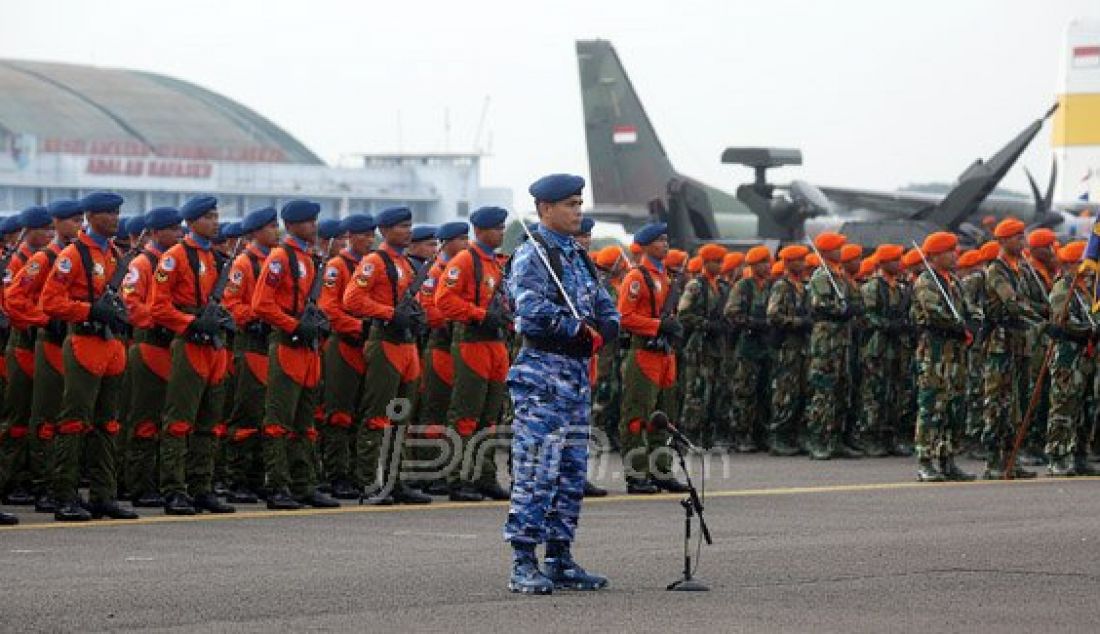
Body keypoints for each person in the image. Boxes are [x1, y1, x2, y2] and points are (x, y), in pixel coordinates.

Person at [503, 173, 618, 595]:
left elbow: (603, 303)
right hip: (543, 372)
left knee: (570, 471)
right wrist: (576, 329)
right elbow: (530, 310)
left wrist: (608, 324)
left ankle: (559, 556)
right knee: (537, 468)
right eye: (569, 204)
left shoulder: (576, 254)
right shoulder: (534, 255)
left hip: (574, 375)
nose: (577, 211)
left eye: (579, 203)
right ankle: (522, 562)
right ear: (544, 209)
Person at [40, 191, 138, 521]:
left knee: (107, 423)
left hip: (111, 345)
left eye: (117, 213)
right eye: (108, 213)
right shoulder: (74, 254)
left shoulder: (114, 253)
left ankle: (103, 494)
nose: (115, 218)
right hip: (84, 342)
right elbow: (50, 302)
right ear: (91, 216)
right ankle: (64, 495)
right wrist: (88, 310)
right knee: (73, 422)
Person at [251, 200, 340, 510]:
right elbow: (261, 304)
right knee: (278, 420)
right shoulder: (281, 257)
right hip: (288, 343)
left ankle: (304, 484)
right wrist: (294, 324)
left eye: (315, 220)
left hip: (307, 346)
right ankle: (277, 485)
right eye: (306, 222)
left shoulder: (310, 258)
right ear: (291, 226)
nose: (313, 226)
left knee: (305, 421)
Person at [150, 196, 236, 515]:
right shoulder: (175, 257)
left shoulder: (215, 258)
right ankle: (173, 489)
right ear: (193, 222)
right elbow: (159, 306)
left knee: (210, 420)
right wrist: (190, 322)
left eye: (216, 216)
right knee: (179, 420)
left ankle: (202, 486)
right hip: (189, 340)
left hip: (213, 342)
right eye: (209, 217)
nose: (216, 222)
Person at [344, 206, 433, 505]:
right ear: (385, 231)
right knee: (377, 415)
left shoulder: (405, 264)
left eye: (410, 225)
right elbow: (352, 299)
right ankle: (368, 482)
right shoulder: (375, 261)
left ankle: (396, 481)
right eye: (402, 226)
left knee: (402, 416)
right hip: (385, 341)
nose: (408, 231)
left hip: (407, 344)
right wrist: (390, 313)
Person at [436, 207, 512, 502]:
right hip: (472, 341)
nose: (501, 233)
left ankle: (485, 476)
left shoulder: (494, 262)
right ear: (479, 231)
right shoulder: (466, 260)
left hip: (495, 343)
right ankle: (458, 478)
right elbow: (444, 300)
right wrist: (479, 315)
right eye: (496, 228)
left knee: (490, 418)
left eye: (503, 228)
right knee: (466, 415)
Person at [616, 223, 688, 494]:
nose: (665, 244)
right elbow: (624, 317)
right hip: (644, 353)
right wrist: (658, 327)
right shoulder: (636, 277)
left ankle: (662, 470)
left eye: (666, 239)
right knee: (638, 417)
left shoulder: (666, 278)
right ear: (645, 245)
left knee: (664, 418)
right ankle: (636, 474)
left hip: (665, 355)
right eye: (659, 240)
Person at [119, 206, 183, 508]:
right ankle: (140, 484)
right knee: (145, 418)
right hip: (150, 344)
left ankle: (162, 479)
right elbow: (131, 304)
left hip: (174, 347)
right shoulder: (143, 264)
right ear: (156, 232)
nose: (178, 233)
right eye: (172, 228)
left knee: (168, 418)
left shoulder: (175, 261)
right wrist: (163, 319)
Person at [318, 213, 376, 499]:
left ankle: (357, 471)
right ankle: (336, 474)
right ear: (351, 236)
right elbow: (329, 308)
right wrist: (358, 326)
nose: (370, 239)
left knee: (361, 412)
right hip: (344, 345)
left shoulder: (372, 264)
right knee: (339, 413)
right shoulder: (337, 267)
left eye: (372, 234)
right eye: (364, 235)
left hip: (368, 345)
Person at [910, 232, 975, 482]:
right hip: (936, 351)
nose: (954, 255)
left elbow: (970, 307)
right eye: (949, 251)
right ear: (935, 255)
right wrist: (957, 325)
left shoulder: (954, 282)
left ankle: (947, 457)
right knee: (931, 405)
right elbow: (933, 311)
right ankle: (925, 460)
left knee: (953, 405)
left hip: (955, 351)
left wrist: (973, 322)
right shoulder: (927, 281)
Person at [725, 246, 776, 453]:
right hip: (747, 346)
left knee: (765, 392)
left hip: (767, 346)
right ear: (753, 266)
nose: (767, 266)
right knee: (744, 392)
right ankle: (741, 434)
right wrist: (753, 323)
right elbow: (731, 312)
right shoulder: (743, 287)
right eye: (763, 262)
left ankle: (760, 434)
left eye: (768, 262)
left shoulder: (773, 286)